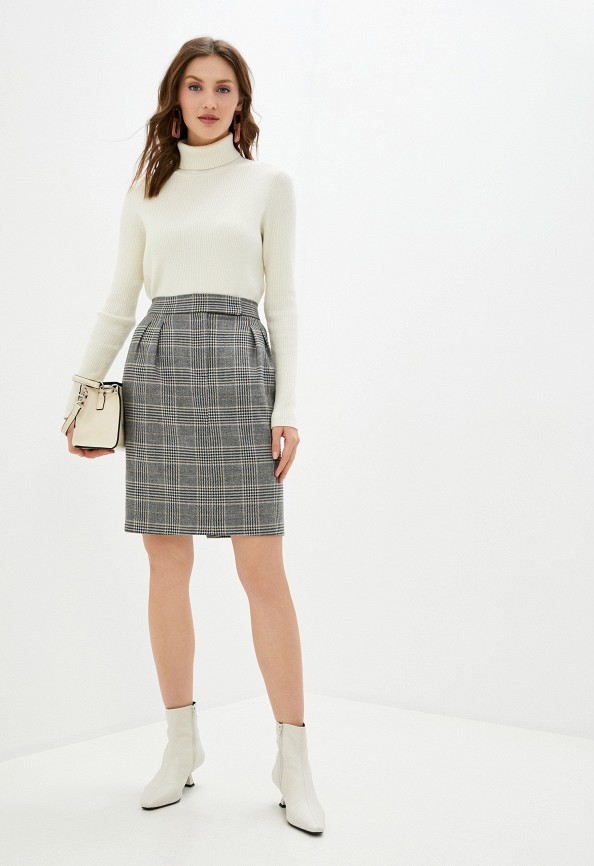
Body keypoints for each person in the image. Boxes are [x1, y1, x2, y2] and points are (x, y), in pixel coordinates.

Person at [61, 36, 325, 834]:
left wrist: (287, 407)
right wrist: (83, 396)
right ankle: (181, 744)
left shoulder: (269, 184)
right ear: (175, 97)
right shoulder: (148, 188)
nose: (209, 100)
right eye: (195, 86)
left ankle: (293, 759)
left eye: (223, 88)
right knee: (166, 562)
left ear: (241, 102)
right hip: (163, 369)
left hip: (242, 372)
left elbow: (284, 303)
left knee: (261, 568)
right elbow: (119, 301)